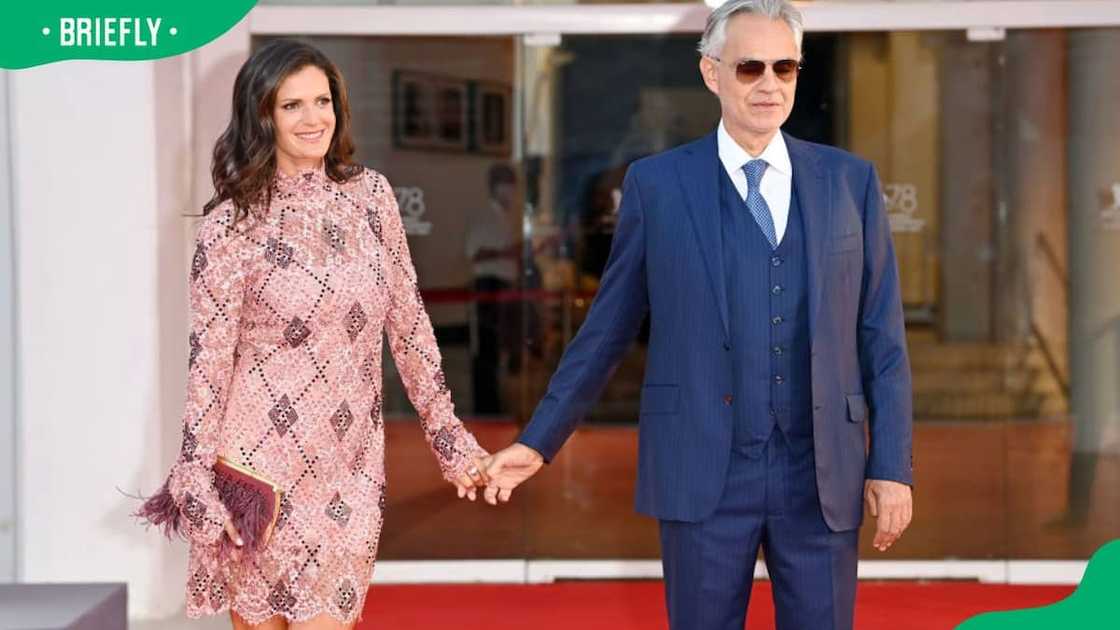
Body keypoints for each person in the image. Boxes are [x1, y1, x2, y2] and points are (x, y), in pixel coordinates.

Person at [483, 1, 915, 628]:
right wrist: (538, 440)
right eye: (749, 67)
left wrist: (892, 464)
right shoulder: (658, 186)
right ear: (712, 73)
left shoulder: (850, 181)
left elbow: (882, 337)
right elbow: (606, 331)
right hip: (703, 473)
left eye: (784, 67)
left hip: (821, 475)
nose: (769, 83)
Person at [138, 39, 490, 630]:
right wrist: (196, 471)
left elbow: (409, 326)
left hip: (349, 468)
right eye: (291, 105)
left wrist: (449, 440)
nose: (313, 118)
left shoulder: (371, 197)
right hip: (259, 468)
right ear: (262, 116)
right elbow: (209, 359)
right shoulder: (231, 224)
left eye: (322, 100)